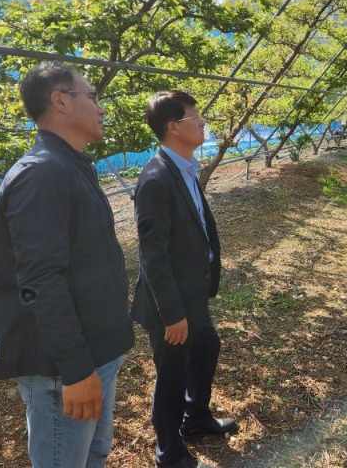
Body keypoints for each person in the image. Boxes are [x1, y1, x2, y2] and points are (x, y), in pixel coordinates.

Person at [0, 61, 134, 466]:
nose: (101, 107)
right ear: (60, 101)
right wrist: (74, 368)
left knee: (94, 455)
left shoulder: (70, 165)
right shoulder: (44, 174)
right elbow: (38, 280)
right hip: (63, 367)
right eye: (93, 96)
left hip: (92, 353)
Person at [132, 91, 236, 468]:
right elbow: (152, 254)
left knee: (206, 347)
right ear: (174, 127)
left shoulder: (184, 168)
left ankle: (196, 419)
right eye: (196, 116)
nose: (203, 122)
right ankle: (168, 450)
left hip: (191, 293)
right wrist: (173, 313)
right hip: (170, 302)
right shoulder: (157, 178)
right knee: (171, 375)